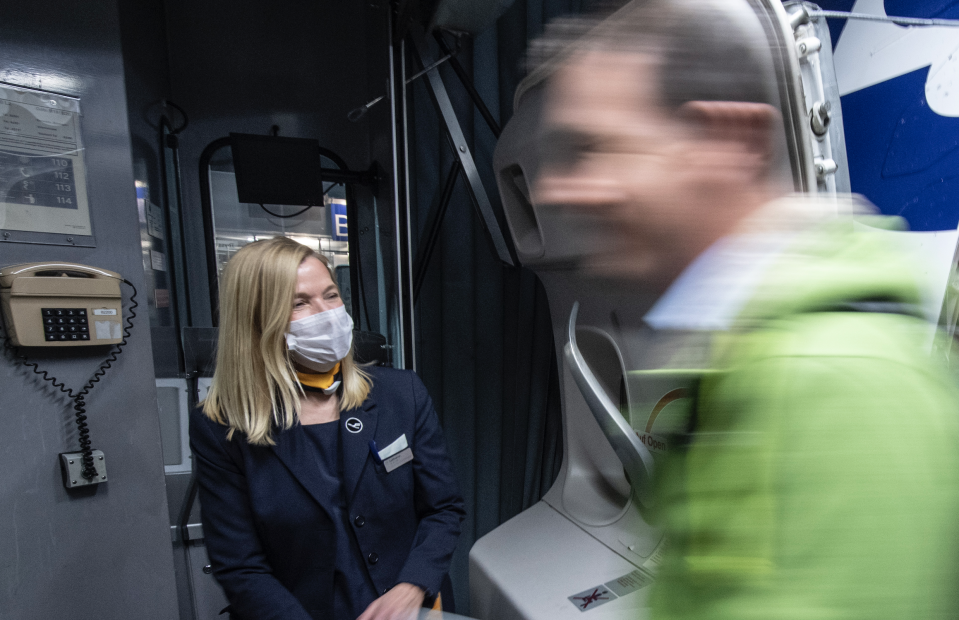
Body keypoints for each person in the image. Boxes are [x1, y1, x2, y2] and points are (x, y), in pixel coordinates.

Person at [532, 2, 959, 620]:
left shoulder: (834, 381)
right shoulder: (744, 352)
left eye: (601, 148)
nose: (562, 189)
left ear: (725, 139)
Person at [190, 237, 465, 620]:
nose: (327, 313)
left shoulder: (400, 395)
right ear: (258, 321)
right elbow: (240, 565)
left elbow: (444, 508)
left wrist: (411, 586)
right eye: (300, 303)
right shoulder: (221, 427)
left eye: (331, 295)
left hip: (410, 606)